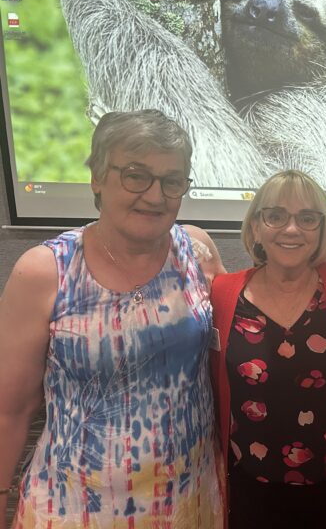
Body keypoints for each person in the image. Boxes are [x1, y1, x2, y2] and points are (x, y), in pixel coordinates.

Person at [0, 110, 226, 528]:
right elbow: (9, 410)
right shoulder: (46, 270)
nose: (155, 195)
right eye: (136, 175)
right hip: (75, 507)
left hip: (187, 502)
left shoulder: (198, 252)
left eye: (171, 180)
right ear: (97, 179)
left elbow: (228, 362)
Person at [209, 170, 326, 529]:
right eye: (275, 216)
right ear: (256, 227)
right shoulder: (222, 295)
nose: (291, 229)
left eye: (307, 218)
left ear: (321, 228)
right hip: (249, 492)